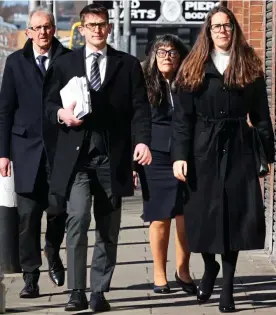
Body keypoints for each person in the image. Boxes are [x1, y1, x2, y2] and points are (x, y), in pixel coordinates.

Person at [43, 3, 152, 313]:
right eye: (91, 25)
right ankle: (76, 290)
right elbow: (48, 106)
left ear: (109, 27)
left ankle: (98, 292)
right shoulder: (64, 64)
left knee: (108, 228)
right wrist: (62, 114)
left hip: (112, 158)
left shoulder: (128, 65)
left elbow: (140, 109)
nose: (97, 29)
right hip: (77, 159)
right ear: (82, 28)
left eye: (102, 24)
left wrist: (142, 142)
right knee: (77, 219)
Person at [172, 6, 274, 313]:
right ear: (208, 30)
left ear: (234, 29)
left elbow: (262, 117)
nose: (222, 31)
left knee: (234, 217)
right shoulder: (194, 65)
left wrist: (268, 155)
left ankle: (227, 288)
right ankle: (209, 267)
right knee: (203, 217)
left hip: (239, 147)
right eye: (216, 26)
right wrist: (179, 156)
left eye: (227, 25)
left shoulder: (249, 65)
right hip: (202, 149)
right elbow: (182, 119)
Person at [0, 7, 69, 298]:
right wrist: (3, 153)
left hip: (59, 151)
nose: (43, 32)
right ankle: (30, 276)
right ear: (28, 32)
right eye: (37, 28)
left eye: (48, 27)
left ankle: (52, 252)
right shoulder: (16, 62)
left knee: (57, 211)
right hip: (25, 150)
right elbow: (5, 111)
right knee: (27, 219)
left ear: (54, 29)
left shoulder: (68, 60)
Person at [138, 34, 196, 295]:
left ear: (180, 56)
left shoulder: (189, 82)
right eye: (161, 52)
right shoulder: (143, 82)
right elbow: (135, 121)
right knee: (160, 216)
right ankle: (159, 274)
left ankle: (183, 270)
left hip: (187, 155)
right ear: (153, 56)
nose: (167, 57)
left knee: (185, 217)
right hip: (155, 155)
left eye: (172, 52)